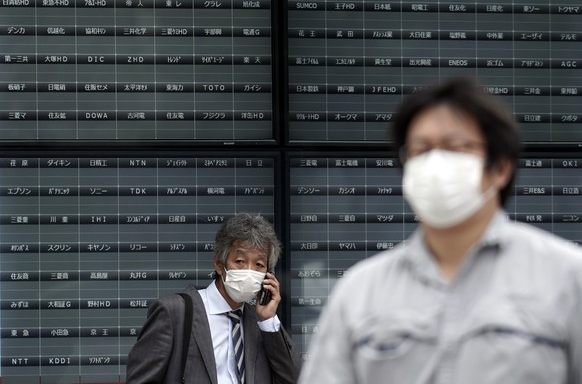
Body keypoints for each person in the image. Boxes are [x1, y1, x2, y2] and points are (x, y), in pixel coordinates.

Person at [298, 77, 582, 384]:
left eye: (455, 147)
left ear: (500, 167)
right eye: (421, 150)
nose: (435, 163)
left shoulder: (567, 277)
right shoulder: (359, 291)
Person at [126, 212, 301, 384]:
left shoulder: (261, 324)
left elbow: (296, 379)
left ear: (268, 275)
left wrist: (269, 320)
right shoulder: (174, 312)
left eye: (259, 265)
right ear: (219, 264)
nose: (249, 271)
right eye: (240, 261)